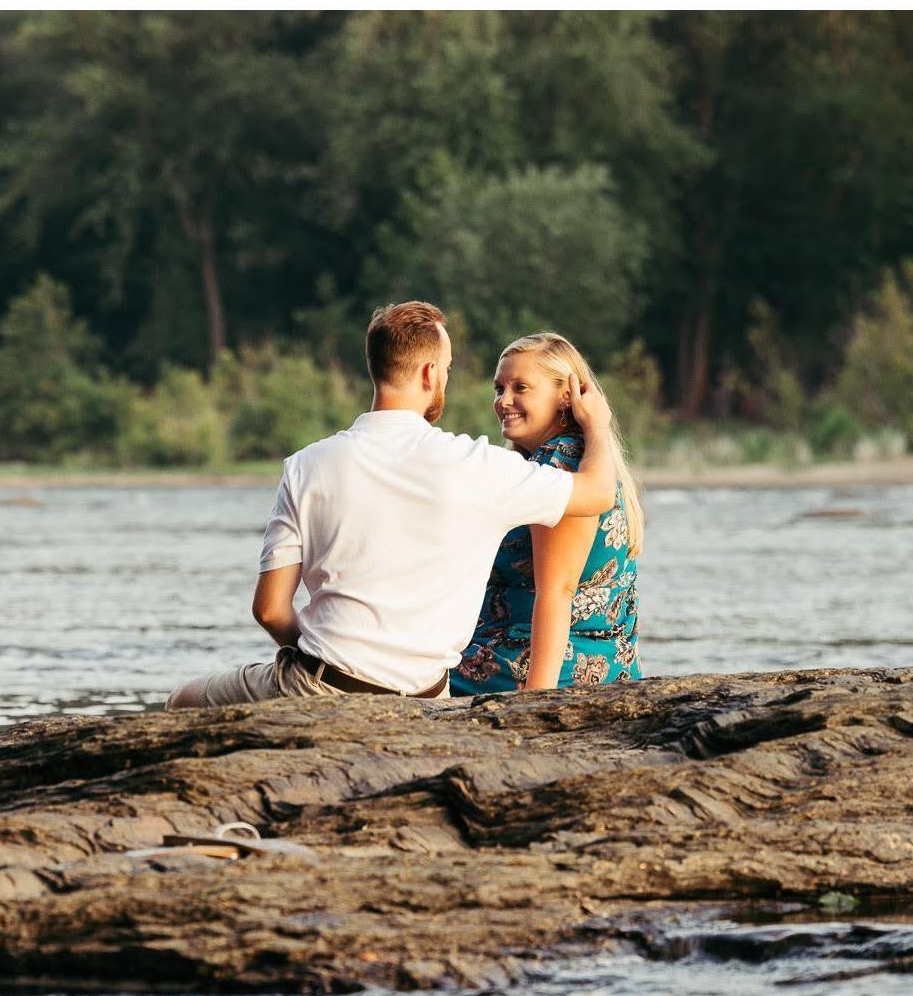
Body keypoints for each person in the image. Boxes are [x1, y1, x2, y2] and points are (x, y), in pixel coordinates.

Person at [165, 302, 624, 708]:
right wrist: (598, 424)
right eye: (447, 368)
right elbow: (598, 494)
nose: (447, 378)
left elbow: (269, 610)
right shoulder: (480, 466)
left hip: (320, 686)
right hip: (428, 698)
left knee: (183, 701)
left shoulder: (306, 466)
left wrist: (329, 660)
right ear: (428, 373)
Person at [450, 332, 644, 695]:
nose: (503, 400)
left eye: (520, 387)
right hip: (591, 663)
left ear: (565, 397)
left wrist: (536, 705)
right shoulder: (571, 460)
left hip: (543, 667)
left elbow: (558, 591)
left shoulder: (562, 463)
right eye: (499, 388)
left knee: (404, 676)